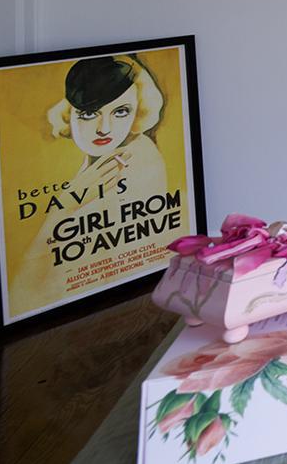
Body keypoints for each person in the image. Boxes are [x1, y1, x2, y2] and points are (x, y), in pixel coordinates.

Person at [11, 56, 172, 313]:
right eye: (88, 113)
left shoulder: (132, 163)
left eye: (120, 112)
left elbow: (28, 290)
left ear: (137, 113)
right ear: (68, 114)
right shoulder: (102, 164)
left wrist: (65, 206)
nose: (104, 129)